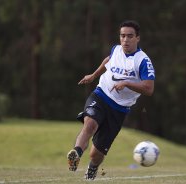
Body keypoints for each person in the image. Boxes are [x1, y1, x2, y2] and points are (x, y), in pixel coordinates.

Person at [67, 20, 155, 180]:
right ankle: (76, 153)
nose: (125, 40)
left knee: (96, 154)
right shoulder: (116, 49)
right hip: (101, 95)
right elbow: (107, 61)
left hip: (119, 109)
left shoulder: (143, 61)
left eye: (130, 36)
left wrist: (127, 83)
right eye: (122, 36)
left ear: (138, 38)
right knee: (90, 124)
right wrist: (93, 75)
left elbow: (149, 89)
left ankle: (92, 168)